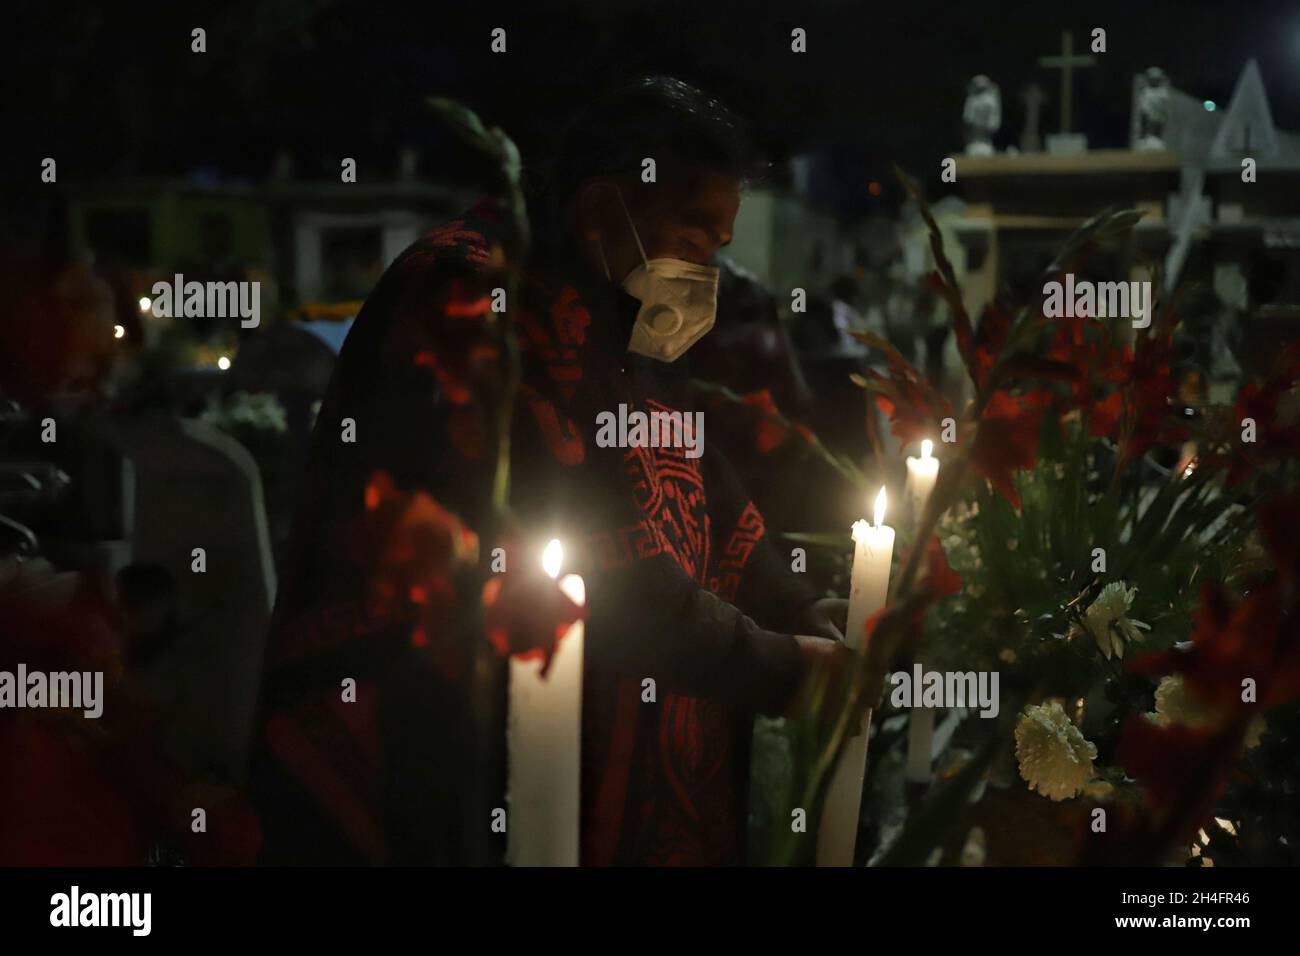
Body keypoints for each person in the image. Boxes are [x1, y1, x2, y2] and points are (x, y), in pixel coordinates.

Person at [252, 76, 850, 866]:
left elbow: (698, 481)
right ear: (605, 213)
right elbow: (600, 562)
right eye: (698, 235)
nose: (710, 269)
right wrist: (782, 666)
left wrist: (805, 605)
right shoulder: (471, 290)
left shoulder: (603, 310)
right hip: (440, 757)